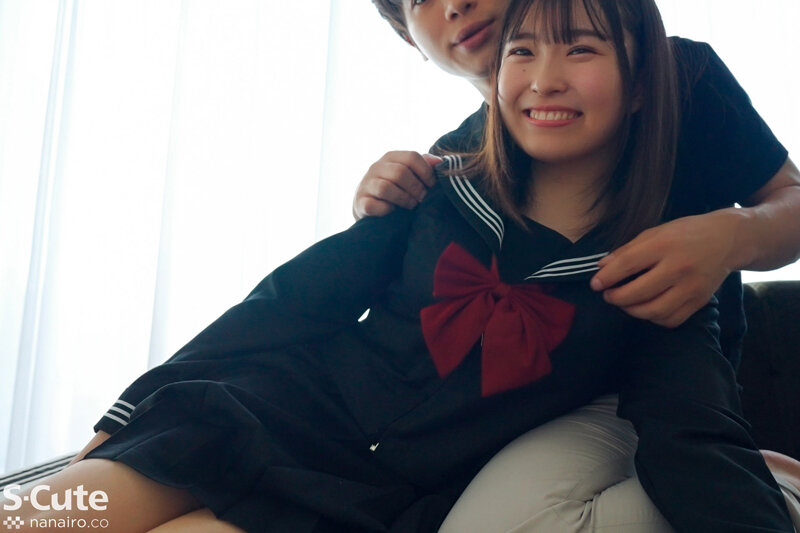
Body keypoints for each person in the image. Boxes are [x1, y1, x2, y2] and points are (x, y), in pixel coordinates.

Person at [1, 0, 797, 532]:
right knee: (42, 517)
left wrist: (732, 234)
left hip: (400, 483)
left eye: (578, 49)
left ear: (641, 82)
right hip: (269, 414)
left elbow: (688, 413)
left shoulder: (681, 85)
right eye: (522, 54)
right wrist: (128, 410)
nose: (543, 77)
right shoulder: (443, 172)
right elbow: (291, 299)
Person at [362, 0, 800, 530]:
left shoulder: (677, 75)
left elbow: (791, 200)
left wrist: (733, 235)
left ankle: (773, 489)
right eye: (421, 0)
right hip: (522, 401)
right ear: (408, 38)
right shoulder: (453, 162)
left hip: (662, 389)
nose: (456, 5)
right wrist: (378, 208)